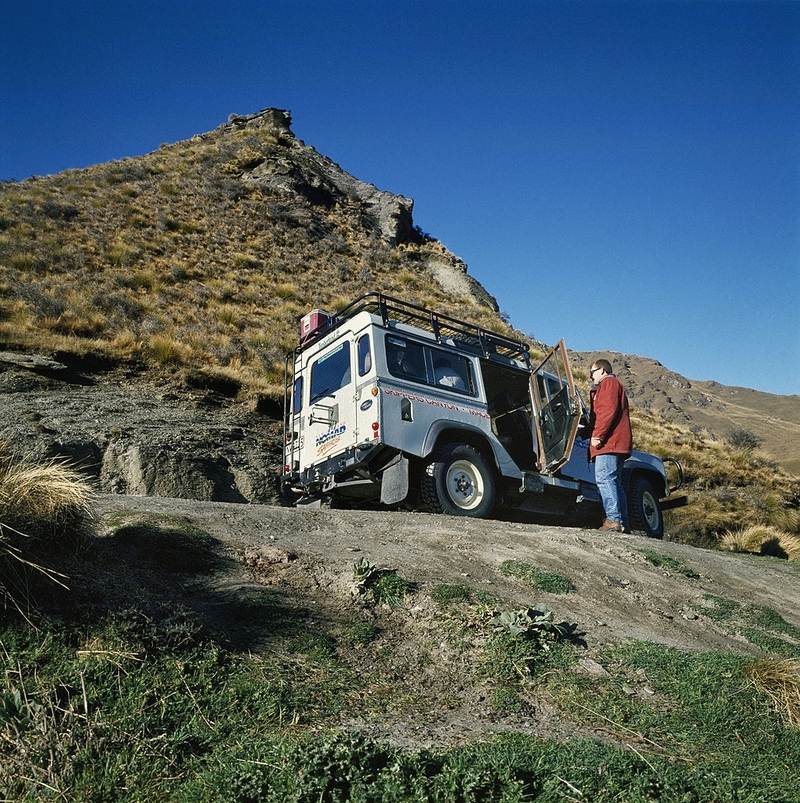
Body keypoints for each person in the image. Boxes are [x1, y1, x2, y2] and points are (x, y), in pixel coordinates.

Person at [588, 359, 632, 533]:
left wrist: (598, 435)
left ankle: (613, 519)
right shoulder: (613, 384)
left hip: (610, 443)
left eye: (592, 372)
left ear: (603, 369)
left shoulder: (608, 383)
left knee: (604, 478)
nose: (591, 376)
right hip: (617, 442)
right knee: (615, 481)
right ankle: (622, 523)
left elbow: (607, 411)